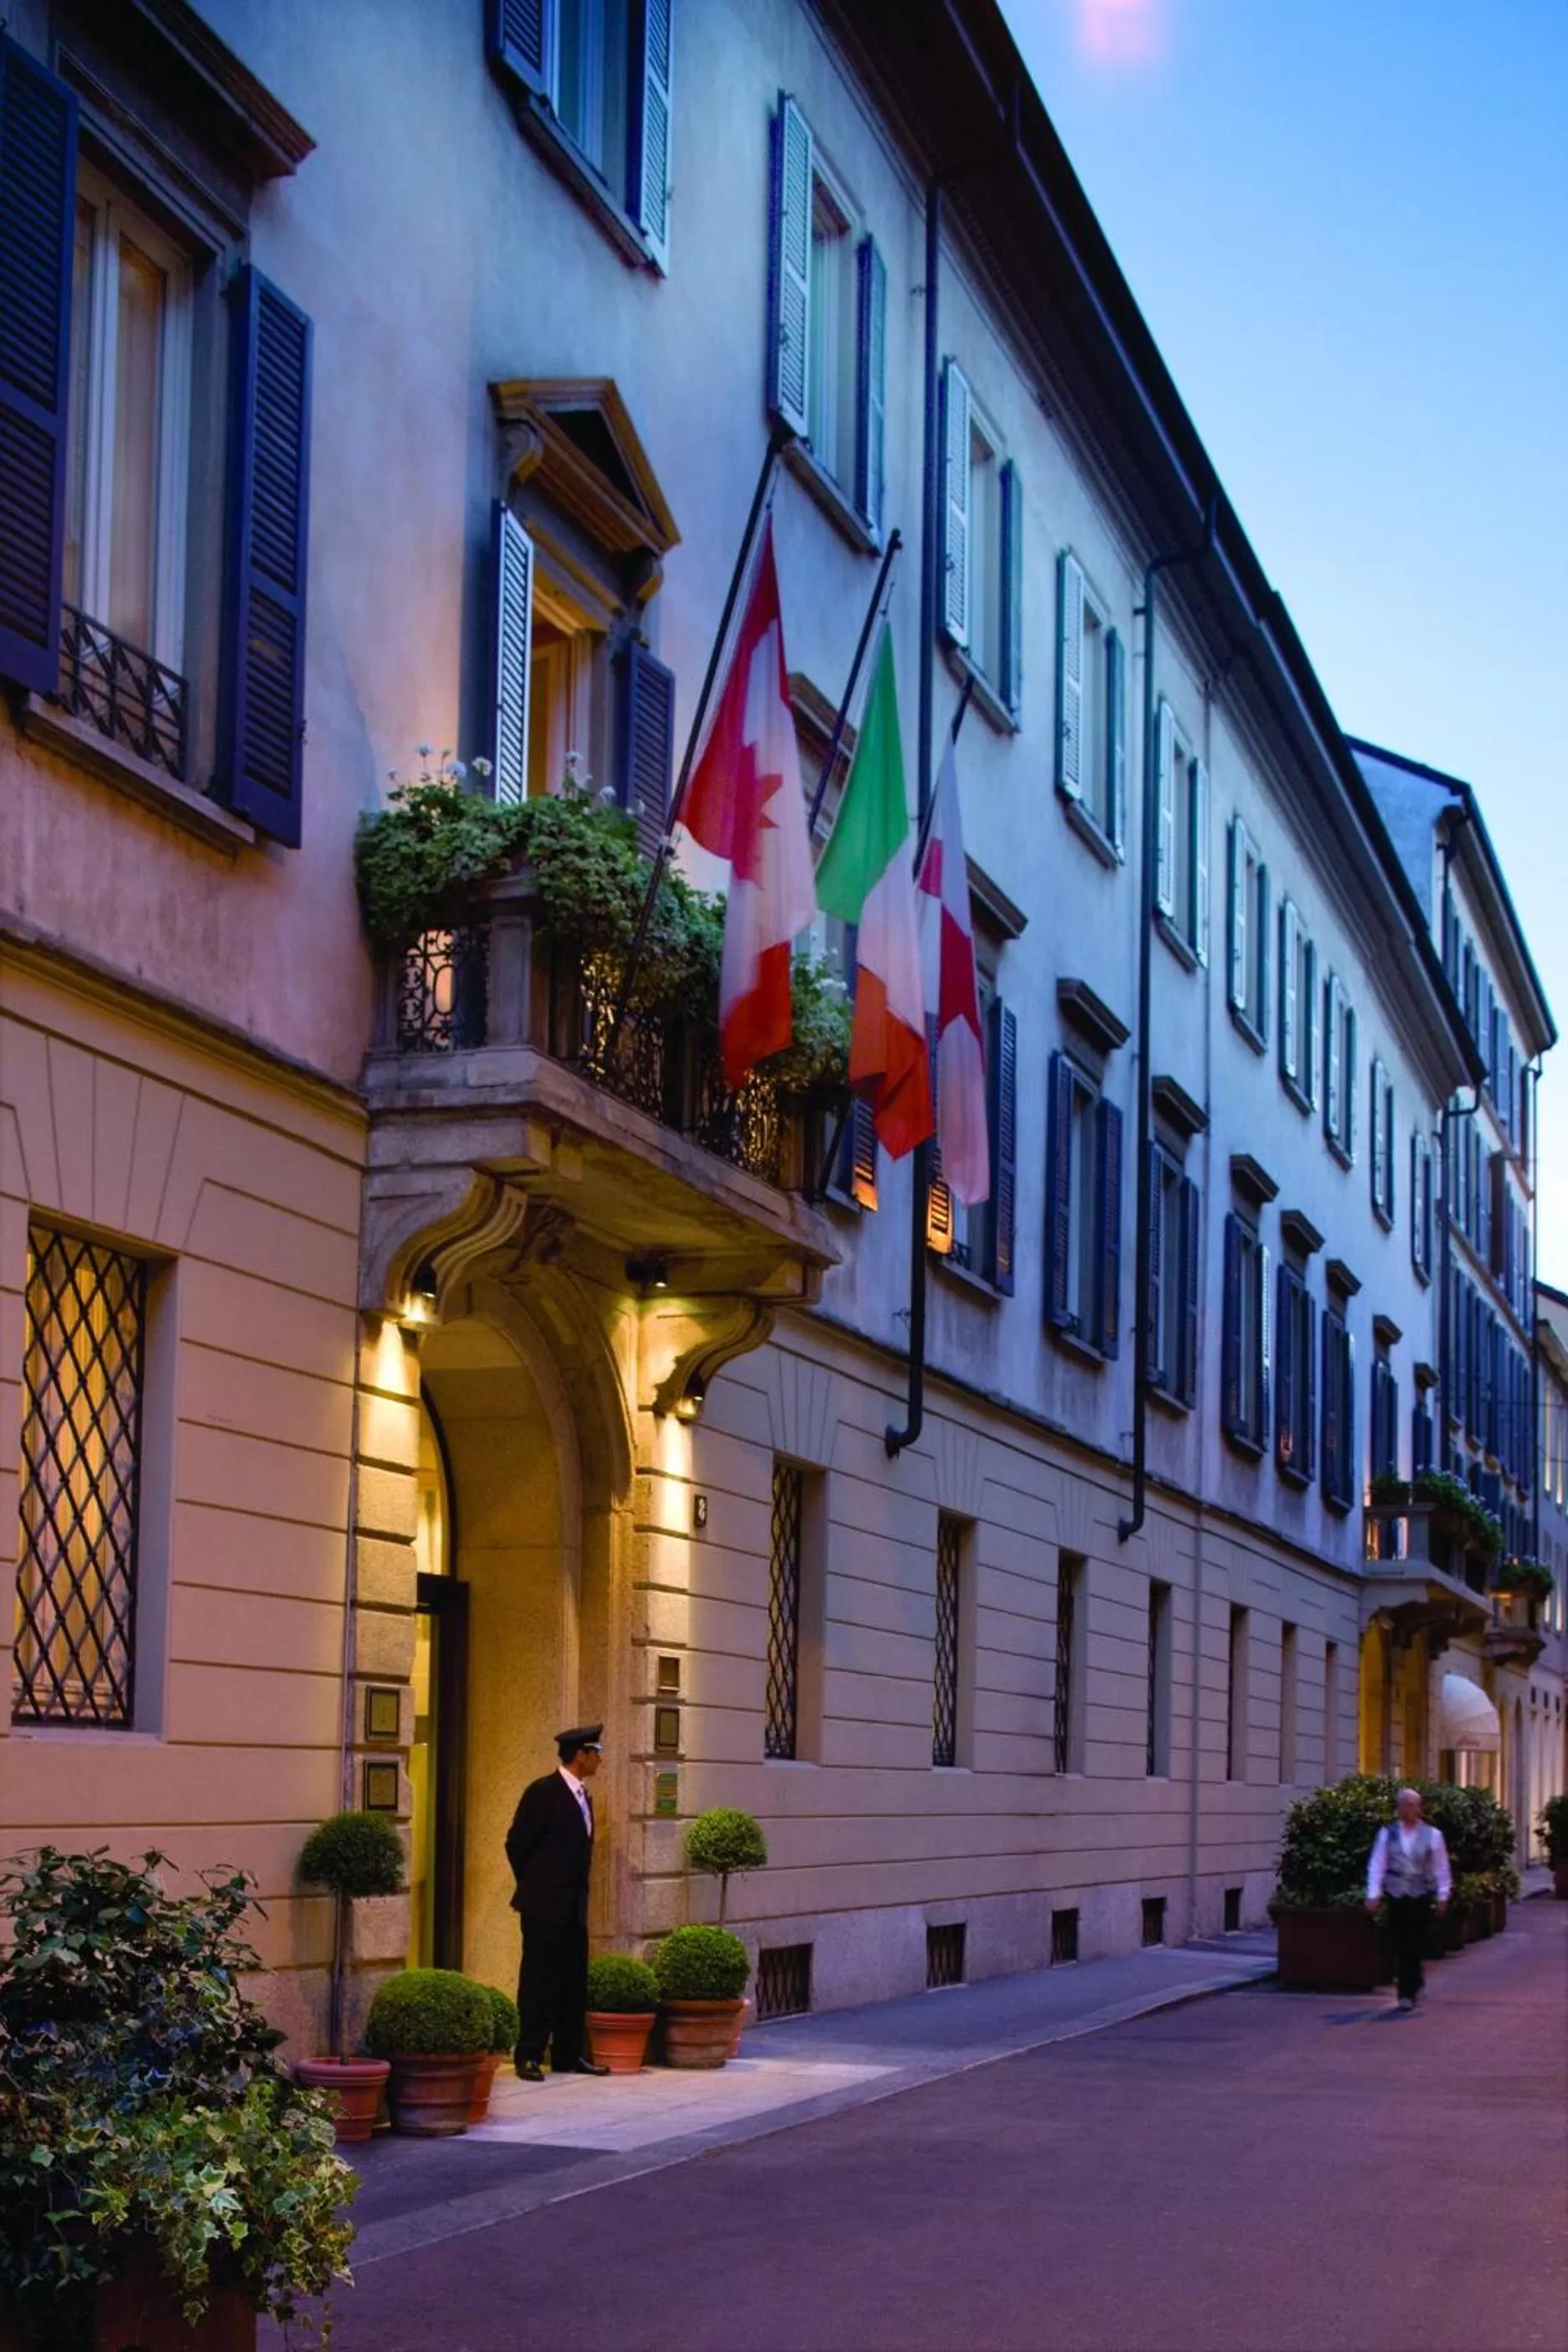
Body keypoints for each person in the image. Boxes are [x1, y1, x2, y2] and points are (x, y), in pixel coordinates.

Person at [505, 1725, 610, 2081]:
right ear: (581, 1754)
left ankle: (568, 2054)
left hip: (574, 1906)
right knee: (539, 1980)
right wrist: (537, 1885)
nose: (600, 1758)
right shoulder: (543, 1792)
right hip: (544, 1905)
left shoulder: (585, 1796)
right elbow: (516, 1844)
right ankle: (529, 2054)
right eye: (597, 1751)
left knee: (572, 1981)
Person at [1365, 1786, 1452, 2012]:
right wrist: (1373, 1894)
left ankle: (1413, 1982)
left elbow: (1441, 1867)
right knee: (1400, 1942)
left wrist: (1443, 1894)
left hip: (1420, 1895)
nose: (1414, 1810)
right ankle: (1407, 1991)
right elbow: (1377, 1864)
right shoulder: (1387, 1834)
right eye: (1409, 1805)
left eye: (1417, 1805)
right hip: (1396, 1894)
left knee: (1415, 1941)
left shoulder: (1433, 1835)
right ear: (1400, 1808)